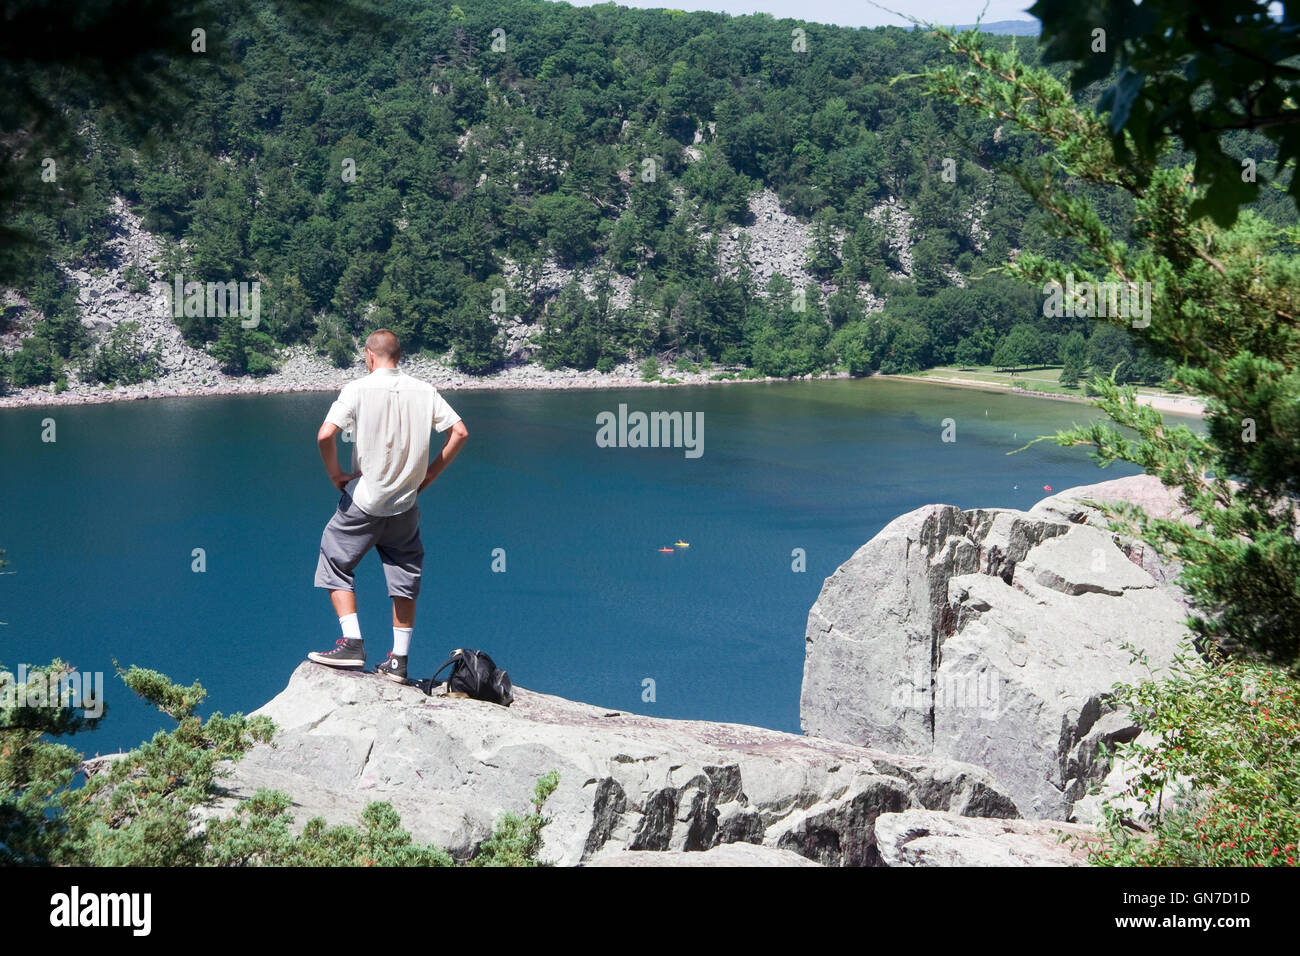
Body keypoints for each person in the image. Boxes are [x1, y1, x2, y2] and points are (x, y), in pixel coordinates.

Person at [309, 329, 468, 682]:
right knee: (405, 574)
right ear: (399, 356)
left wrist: (336, 474)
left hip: (365, 500)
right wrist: (429, 476)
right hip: (405, 504)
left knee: (334, 558)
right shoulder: (424, 390)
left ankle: (352, 643)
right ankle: (399, 661)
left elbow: (324, 434)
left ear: (369, 356)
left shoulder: (357, 389)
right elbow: (459, 432)